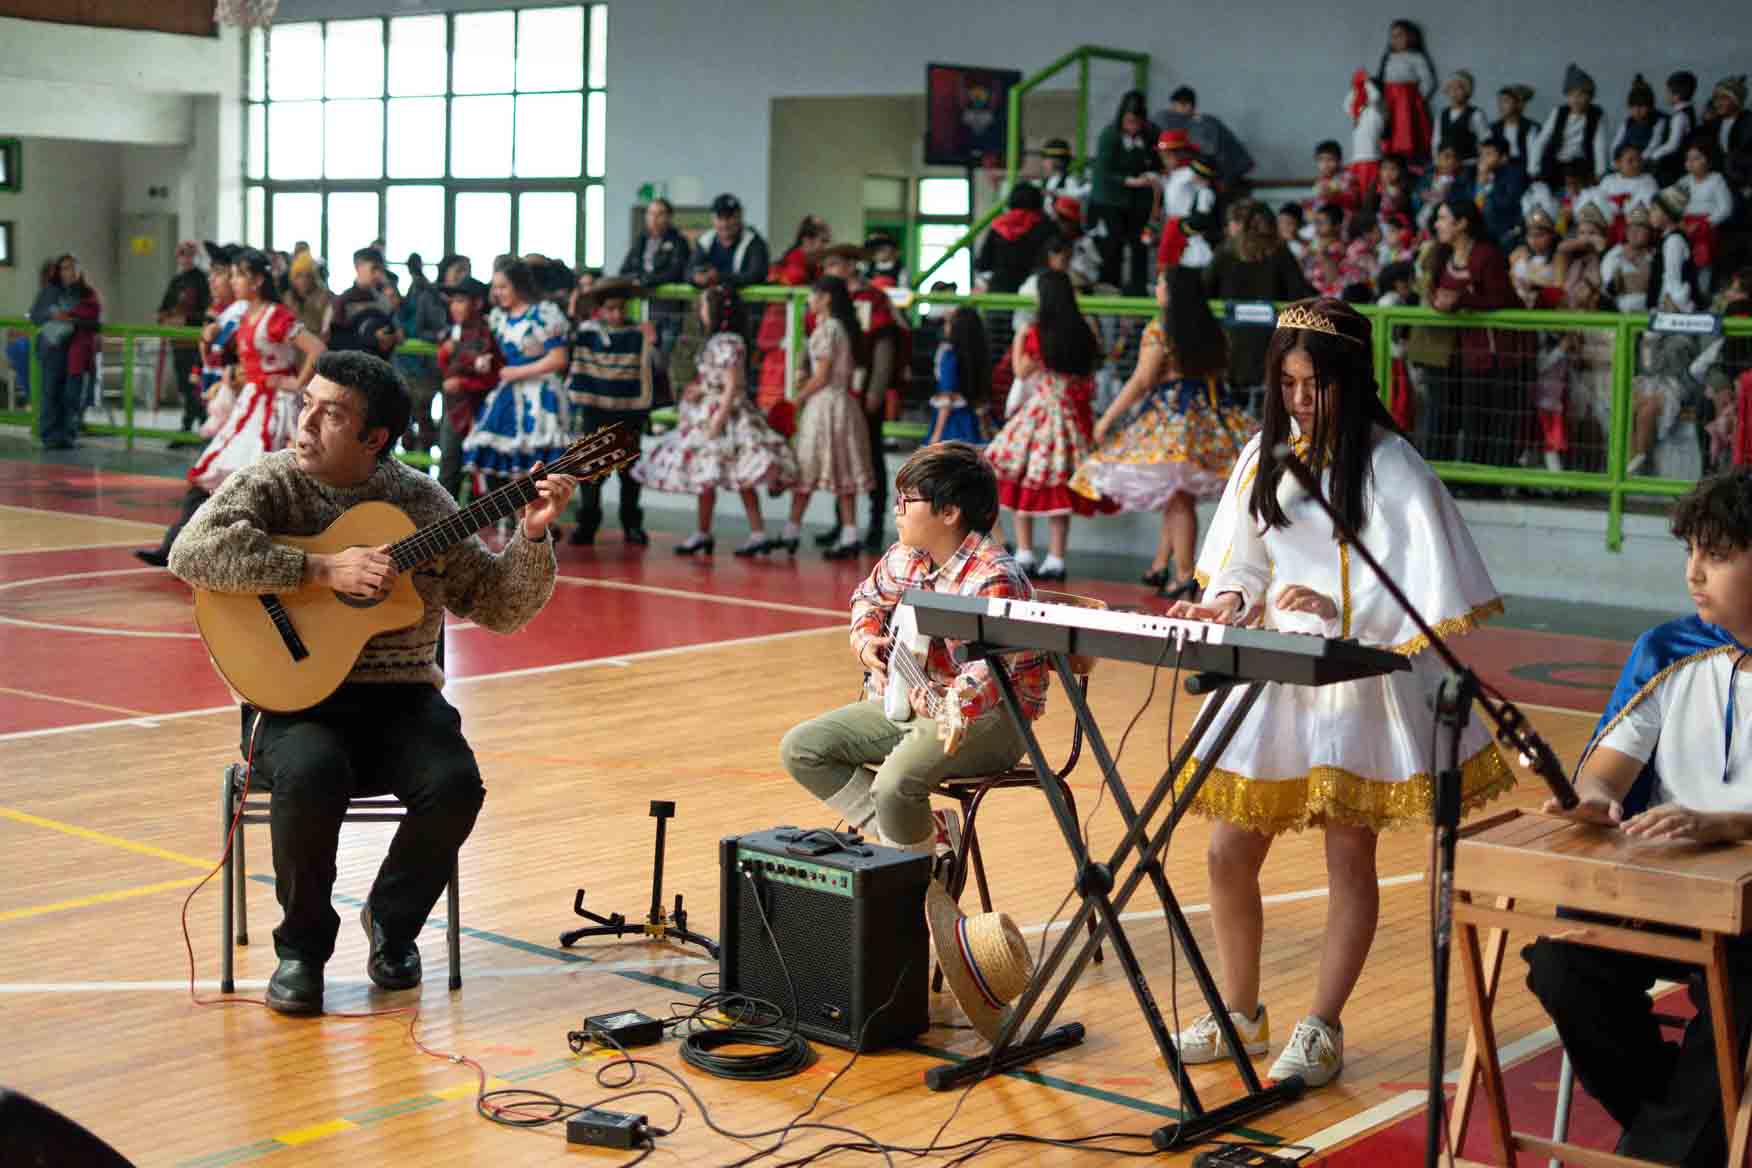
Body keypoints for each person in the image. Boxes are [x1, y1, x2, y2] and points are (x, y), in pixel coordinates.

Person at [1163, 297, 1513, 1089]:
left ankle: (1322, 1023)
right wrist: (1229, 601)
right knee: (1227, 850)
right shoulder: (1265, 454)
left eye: (1313, 384)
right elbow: (1247, 559)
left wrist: (1339, 608)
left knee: (1349, 856)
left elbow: (1421, 591)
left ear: (1349, 379)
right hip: (1276, 671)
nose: (1298, 400)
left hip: (1361, 677)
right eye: (1286, 384)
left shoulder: (1393, 464)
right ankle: (1239, 1011)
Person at [167, 351, 577, 1015]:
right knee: (312, 771)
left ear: (374, 439)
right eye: (307, 404)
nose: (306, 423)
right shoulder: (271, 482)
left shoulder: (422, 502)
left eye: (330, 415)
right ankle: (302, 953)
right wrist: (320, 570)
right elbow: (191, 552)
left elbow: (499, 606)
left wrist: (532, 536)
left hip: (400, 699)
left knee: (455, 784)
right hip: (291, 702)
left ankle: (392, 921)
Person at [1523, 469, 1752, 1166]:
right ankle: (1679, 1139)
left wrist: (1727, 824)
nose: (1693, 573)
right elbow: (1605, 771)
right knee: (1562, 967)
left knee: (1744, 987)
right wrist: (1595, 799)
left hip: (1749, 915)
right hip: (1664, 895)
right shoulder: (1666, 650)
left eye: (1716, 555)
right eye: (1690, 552)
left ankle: (1670, 1145)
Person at [778, 441, 1042, 867]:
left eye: (907, 501)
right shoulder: (907, 556)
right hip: (916, 702)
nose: (896, 509)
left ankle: (913, 871)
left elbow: (988, 672)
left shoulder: (994, 577)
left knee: (893, 785)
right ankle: (925, 842)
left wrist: (946, 701)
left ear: (949, 512)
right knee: (801, 749)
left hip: (990, 717)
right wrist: (866, 642)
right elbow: (867, 598)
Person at [139, 249, 326, 567]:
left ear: (257, 280)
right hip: (250, 403)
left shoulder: (275, 315)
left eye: (239, 275)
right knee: (218, 472)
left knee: (260, 478)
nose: (233, 280)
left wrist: (295, 383)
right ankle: (180, 545)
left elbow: (316, 348)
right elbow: (222, 347)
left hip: (275, 408)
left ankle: (262, 555)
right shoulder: (242, 314)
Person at [1072, 265, 1251, 597]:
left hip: (1173, 417)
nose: (1156, 289)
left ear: (1171, 292)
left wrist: (1107, 418)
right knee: (1177, 495)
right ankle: (1160, 565)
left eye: (1160, 284)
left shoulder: (1161, 328)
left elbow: (1142, 380)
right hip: (1210, 418)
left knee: (1179, 497)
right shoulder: (1213, 328)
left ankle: (1184, 574)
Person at [634, 284, 799, 556]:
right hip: (711, 410)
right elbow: (720, 380)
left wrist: (718, 418)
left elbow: (732, 385)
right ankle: (709, 531)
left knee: (737, 473)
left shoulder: (726, 342)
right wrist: (701, 389)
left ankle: (753, 532)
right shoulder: (720, 342)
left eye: (704, 306)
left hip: (722, 415)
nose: (700, 311)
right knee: (709, 473)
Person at [983, 270, 1106, 581]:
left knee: (1023, 477)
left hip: (1039, 413)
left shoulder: (1035, 331)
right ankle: (1056, 558)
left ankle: (1024, 553)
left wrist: (1021, 341)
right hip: (1071, 415)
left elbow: (1021, 371)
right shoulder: (1084, 329)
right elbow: (1093, 367)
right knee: (1059, 487)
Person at [779, 275, 875, 558]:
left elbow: (821, 376)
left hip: (824, 407)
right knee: (844, 472)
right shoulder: (843, 328)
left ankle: (791, 530)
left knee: (806, 468)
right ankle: (849, 535)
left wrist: (797, 399)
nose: (809, 300)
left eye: (813, 294)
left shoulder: (826, 329)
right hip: (844, 405)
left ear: (826, 298)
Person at [461, 261, 571, 486]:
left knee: (536, 466)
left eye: (503, 287)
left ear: (519, 286)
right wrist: (487, 361)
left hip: (539, 396)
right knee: (500, 460)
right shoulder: (499, 318)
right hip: (508, 394)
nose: (497, 293)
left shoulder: (542, 314)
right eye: (495, 287)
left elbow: (559, 358)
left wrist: (519, 371)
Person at [566, 278, 656, 546]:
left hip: (630, 413)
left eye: (621, 308)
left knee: (630, 472)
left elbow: (656, 368)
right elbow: (567, 338)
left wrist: (653, 343)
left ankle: (632, 524)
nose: (616, 314)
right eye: (610, 309)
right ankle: (587, 524)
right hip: (595, 412)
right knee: (590, 471)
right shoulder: (587, 333)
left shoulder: (639, 334)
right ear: (600, 309)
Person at [1205, 200, 1314, 415]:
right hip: (1273, 345)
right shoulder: (1280, 252)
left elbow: (1205, 289)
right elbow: (1299, 294)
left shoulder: (1226, 250)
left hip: (1232, 344)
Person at [433, 275, 501, 500]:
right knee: (448, 470)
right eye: (452, 301)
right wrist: (444, 353)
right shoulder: (453, 332)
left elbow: (495, 376)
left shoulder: (488, 334)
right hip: (454, 409)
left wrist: (463, 383)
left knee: (481, 475)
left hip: (481, 412)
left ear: (477, 303)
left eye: (460, 301)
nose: (454, 306)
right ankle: (445, 519)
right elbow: (446, 368)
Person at [1086, 90, 1157, 295]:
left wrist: (1151, 175)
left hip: (1138, 200)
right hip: (1110, 198)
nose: (1132, 126)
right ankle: (1111, 285)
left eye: (1137, 122)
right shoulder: (1109, 136)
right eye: (1129, 121)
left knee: (1139, 243)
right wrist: (1127, 180)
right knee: (1113, 243)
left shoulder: (1150, 135)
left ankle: (1138, 287)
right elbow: (1104, 170)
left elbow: (1155, 160)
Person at [31, 253, 101, 450]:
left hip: (74, 351)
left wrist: (71, 320)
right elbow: (35, 316)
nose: (69, 272)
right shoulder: (51, 291)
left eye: (72, 267)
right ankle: (49, 436)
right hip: (51, 348)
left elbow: (95, 323)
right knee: (50, 392)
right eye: (64, 268)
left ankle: (66, 436)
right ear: (58, 272)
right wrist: (52, 315)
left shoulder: (86, 293)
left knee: (69, 396)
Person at [1152, 85, 1255, 188]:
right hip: (1229, 171)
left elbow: (1210, 153)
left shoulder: (1202, 124)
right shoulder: (1201, 121)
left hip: (1227, 173)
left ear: (1188, 106)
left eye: (1175, 106)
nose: (1172, 111)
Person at [158, 240, 211, 435]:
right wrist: (166, 318)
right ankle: (188, 425)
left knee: (197, 384)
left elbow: (207, 311)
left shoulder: (203, 280)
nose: (186, 258)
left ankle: (203, 424)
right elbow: (164, 308)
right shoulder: (176, 281)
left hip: (197, 343)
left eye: (189, 254)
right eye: (182, 254)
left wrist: (186, 319)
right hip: (178, 342)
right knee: (184, 385)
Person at [973, 184, 1057, 294]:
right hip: (1037, 291)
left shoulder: (998, 226)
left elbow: (983, 264)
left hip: (1000, 292)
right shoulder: (1047, 227)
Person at [1534, 64, 1612, 183]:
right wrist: (1534, 167)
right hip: (1556, 160)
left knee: (1583, 185)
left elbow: (1599, 144)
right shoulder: (1559, 112)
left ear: (1590, 97)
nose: (1576, 99)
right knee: (1545, 183)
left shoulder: (1596, 115)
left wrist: (1600, 171)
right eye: (1572, 95)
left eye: (1581, 95)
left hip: (1582, 162)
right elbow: (1542, 139)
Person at [926, 306, 991, 446]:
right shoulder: (978, 357)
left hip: (951, 425)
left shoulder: (949, 355)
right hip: (973, 424)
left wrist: (936, 435)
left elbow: (947, 397)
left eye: (948, 322)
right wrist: (986, 432)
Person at [1375, 19, 1437, 165]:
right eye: (1393, 36)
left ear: (1411, 37)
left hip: (1407, 104)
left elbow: (1428, 81)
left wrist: (1415, 100)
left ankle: (1410, 163)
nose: (1396, 39)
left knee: (1406, 133)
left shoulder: (1416, 57)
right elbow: (1381, 81)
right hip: (1389, 103)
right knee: (1389, 133)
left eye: (1400, 35)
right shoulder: (1387, 58)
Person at [687, 193, 770, 291]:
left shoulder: (754, 242)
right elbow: (688, 271)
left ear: (739, 216)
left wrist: (720, 277)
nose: (724, 224)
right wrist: (696, 278)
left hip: (743, 300)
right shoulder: (706, 240)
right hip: (709, 298)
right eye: (720, 218)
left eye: (729, 218)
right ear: (713, 219)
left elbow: (756, 275)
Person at [1432, 69, 1490, 165]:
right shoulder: (1441, 114)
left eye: (1459, 88)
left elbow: (1486, 140)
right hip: (1445, 164)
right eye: (1451, 88)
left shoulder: (1476, 114)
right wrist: (1437, 160)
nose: (1454, 92)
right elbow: (1436, 141)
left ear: (1467, 91)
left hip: (1467, 163)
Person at [1491, 84, 1541, 166]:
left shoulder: (1531, 127)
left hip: (1523, 167)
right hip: (1500, 167)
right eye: (1499, 101)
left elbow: (1535, 154)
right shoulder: (1495, 128)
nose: (1501, 106)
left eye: (1506, 101)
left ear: (1517, 104)